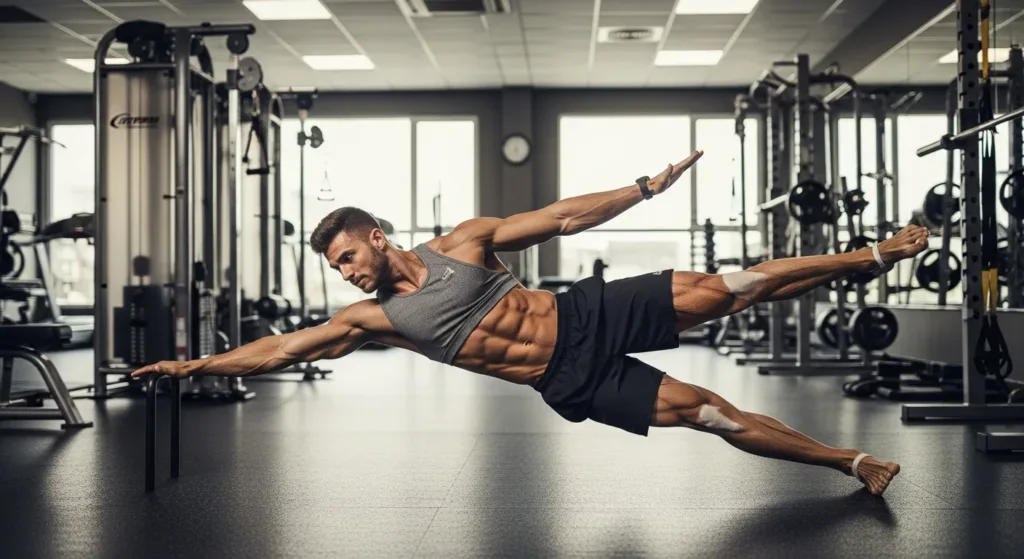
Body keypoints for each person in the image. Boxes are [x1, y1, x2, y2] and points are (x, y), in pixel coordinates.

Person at [134, 150, 929, 497]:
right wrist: (193, 367)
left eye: (347, 255)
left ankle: (871, 255)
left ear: (376, 234)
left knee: (737, 283)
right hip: (567, 375)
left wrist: (643, 189)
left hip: (586, 311)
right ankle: (852, 460)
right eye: (336, 268)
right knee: (712, 414)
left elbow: (559, 218)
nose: (345, 272)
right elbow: (279, 347)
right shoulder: (374, 319)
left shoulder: (464, 242)